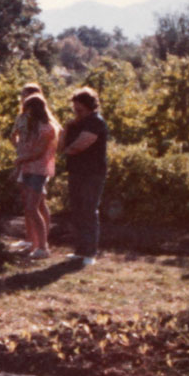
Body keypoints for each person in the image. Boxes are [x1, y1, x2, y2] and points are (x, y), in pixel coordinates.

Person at [11, 93, 62, 258]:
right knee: (30, 207)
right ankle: (34, 244)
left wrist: (20, 159)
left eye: (28, 110)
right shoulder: (32, 127)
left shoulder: (47, 128)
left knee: (33, 207)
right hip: (27, 169)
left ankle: (43, 247)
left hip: (39, 171)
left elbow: (39, 153)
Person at [63, 86, 109, 266]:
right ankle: (80, 250)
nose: (76, 111)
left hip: (93, 173)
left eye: (79, 108)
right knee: (77, 210)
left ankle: (90, 252)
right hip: (76, 171)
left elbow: (79, 145)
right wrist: (67, 129)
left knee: (89, 211)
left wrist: (67, 149)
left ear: (89, 106)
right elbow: (62, 142)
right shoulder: (77, 123)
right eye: (74, 108)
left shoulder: (95, 122)